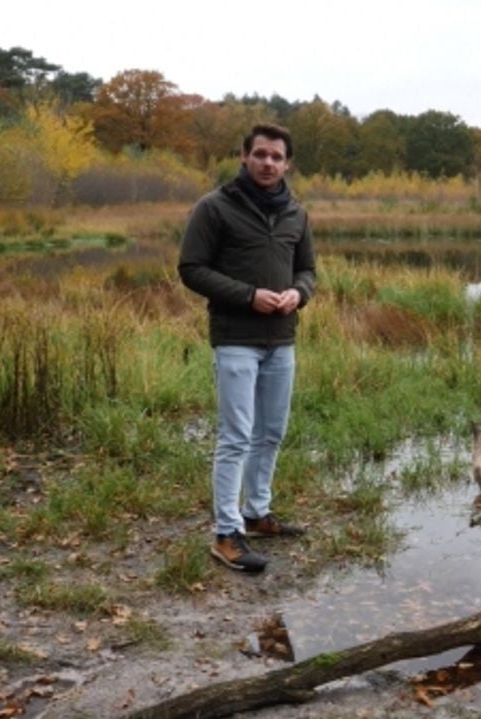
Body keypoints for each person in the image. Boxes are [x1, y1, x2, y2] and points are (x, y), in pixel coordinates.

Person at [179, 123, 315, 573]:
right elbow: (192, 268)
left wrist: (298, 293)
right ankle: (226, 533)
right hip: (236, 339)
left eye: (277, 157)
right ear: (244, 156)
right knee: (236, 437)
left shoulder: (296, 213)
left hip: (282, 340)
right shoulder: (215, 207)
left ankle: (256, 514)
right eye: (260, 154)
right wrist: (248, 295)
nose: (268, 163)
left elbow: (308, 271)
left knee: (271, 432)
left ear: (287, 164)